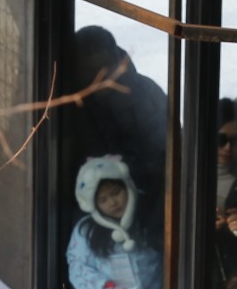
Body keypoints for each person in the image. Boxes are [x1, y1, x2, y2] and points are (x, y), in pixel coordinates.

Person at [64, 154, 162, 289]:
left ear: (128, 187)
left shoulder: (149, 221)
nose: (112, 202)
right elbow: (78, 267)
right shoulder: (86, 231)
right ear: (93, 204)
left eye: (116, 193)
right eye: (103, 200)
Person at [65, 26, 167, 198]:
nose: (99, 77)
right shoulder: (67, 103)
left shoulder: (146, 92)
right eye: (88, 70)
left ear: (116, 62)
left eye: (105, 67)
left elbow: (167, 147)